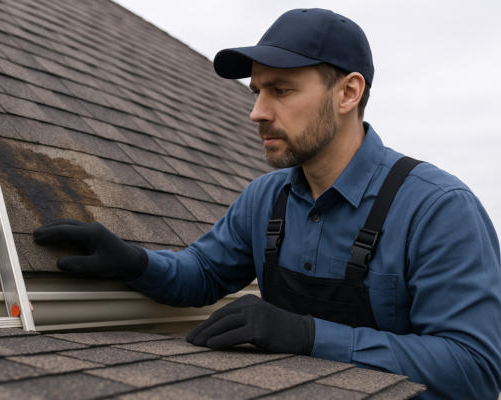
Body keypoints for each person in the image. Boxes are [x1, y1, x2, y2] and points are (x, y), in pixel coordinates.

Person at [33, 9, 501, 399]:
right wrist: (133, 263)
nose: (257, 111)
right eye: (257, 90)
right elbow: (201, 275)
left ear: (348, 93)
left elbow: (475, 369)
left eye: (281, 90)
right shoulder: (266, 198)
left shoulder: (438, 209)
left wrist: (308, 335)